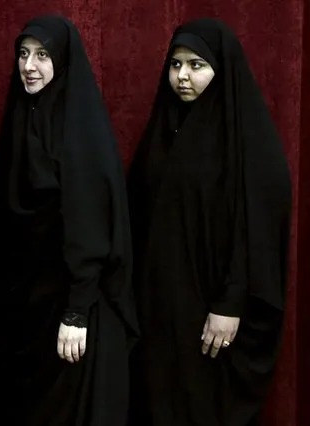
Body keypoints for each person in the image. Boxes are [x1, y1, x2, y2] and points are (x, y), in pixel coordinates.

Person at [127, 18, 292, 426]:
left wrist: (231, 301)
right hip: (161, 309)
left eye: (197, 65)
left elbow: (256, 229)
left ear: (222, 70)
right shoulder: (163, 134)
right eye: (176, 64)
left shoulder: (249, 146)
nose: (183, 76)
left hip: (214, 312)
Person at [0, 15, 138, 426]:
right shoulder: (24, 118)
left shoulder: (80, 132)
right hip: (28, 308)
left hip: (75, 309)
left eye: (42, 55)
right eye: (23, 53)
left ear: (64, 62)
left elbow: (90, 229)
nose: (28, 65)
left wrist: (77, 312)